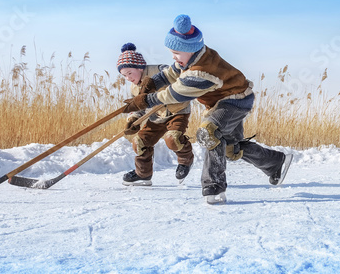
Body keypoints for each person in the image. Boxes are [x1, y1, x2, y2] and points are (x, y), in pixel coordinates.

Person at [123, 15, 293, 203]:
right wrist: (151, 82)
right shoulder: (192, 56)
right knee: (230, 149)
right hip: (222, 101)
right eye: (172, 52)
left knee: (208, 133)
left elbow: (175, 94)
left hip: (235, 101)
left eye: (176, 52)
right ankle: (276, 162)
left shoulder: (201, 72)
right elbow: (171, 73)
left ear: (189, 49)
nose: (173, 56)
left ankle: (214, 186)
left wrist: (145, 100)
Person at [117, 42, 194, 186]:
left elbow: (174, 74)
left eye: (129, 73)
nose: (128, 78)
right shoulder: (134, 88)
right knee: (139, 142)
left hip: (177, 111)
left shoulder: (157, 70)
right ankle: (143, 174)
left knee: (172, 139)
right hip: (157, 116)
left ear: (139, 67)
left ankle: (185, 161)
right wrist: (134, 120)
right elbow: (140, 108)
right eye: (124, 76)